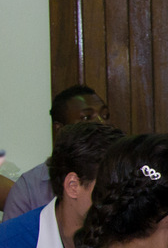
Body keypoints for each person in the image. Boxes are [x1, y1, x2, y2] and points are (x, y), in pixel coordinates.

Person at [3, 85, 110, 220]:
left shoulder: (123, 174)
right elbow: (14, 232)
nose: (102, 123)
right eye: (87, 117)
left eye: (105, 116)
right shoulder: (29, 188)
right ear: (59, 129)